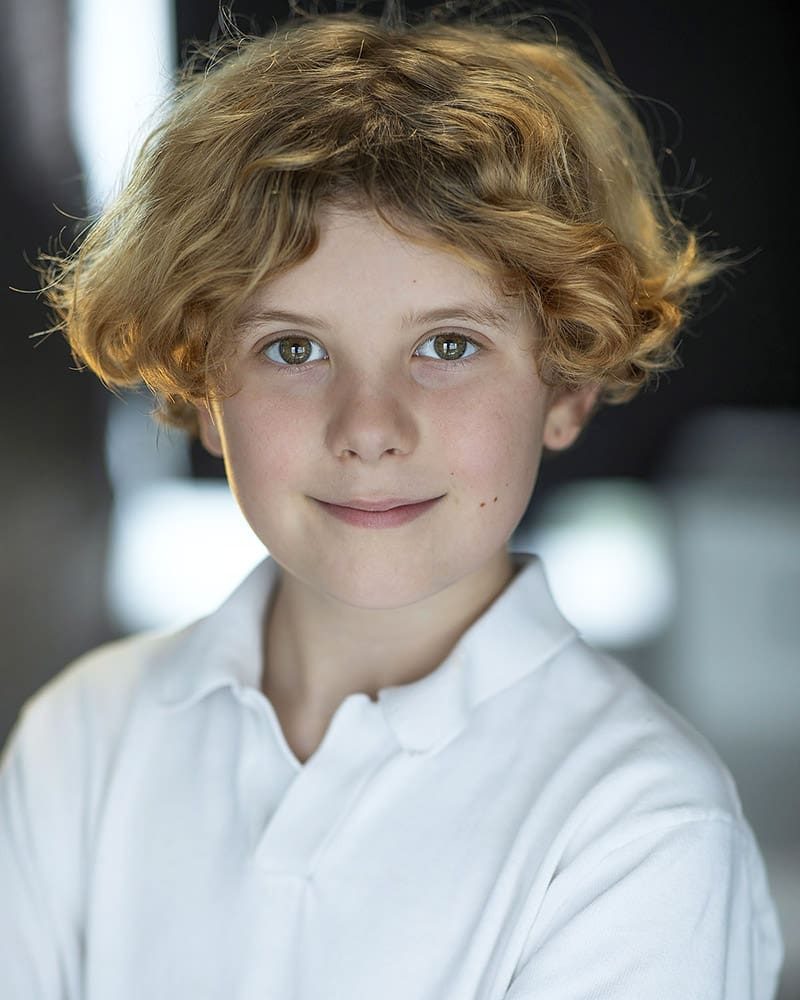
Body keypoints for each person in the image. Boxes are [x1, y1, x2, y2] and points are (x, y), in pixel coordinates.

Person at [1, 4, 784, 997]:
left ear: (567, 383)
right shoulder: (80, 745)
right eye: (294, 348)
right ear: (199, 390)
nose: (368, 425)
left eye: (446, 346)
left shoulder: (634, 828)